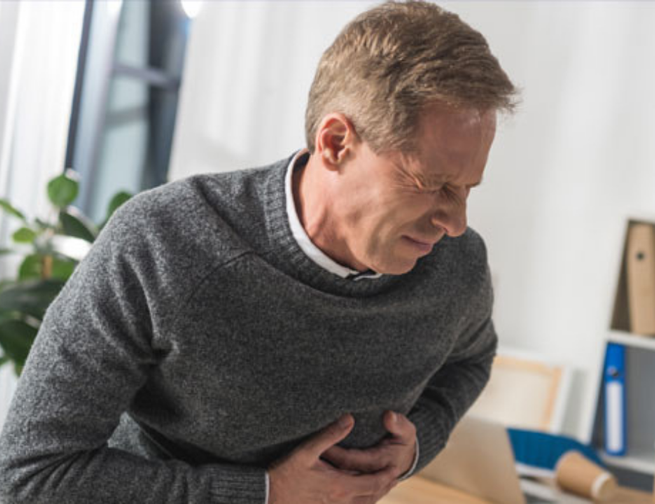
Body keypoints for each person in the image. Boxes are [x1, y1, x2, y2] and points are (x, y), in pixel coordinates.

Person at [0, 1, 517, 503]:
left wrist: (418, 441)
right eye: (432, 184)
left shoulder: (456, 265)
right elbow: (31, 475)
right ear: (336, 143)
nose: (455, 222)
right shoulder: (164, 242)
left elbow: (471, 358)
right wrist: (262, 494)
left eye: (468, 188)